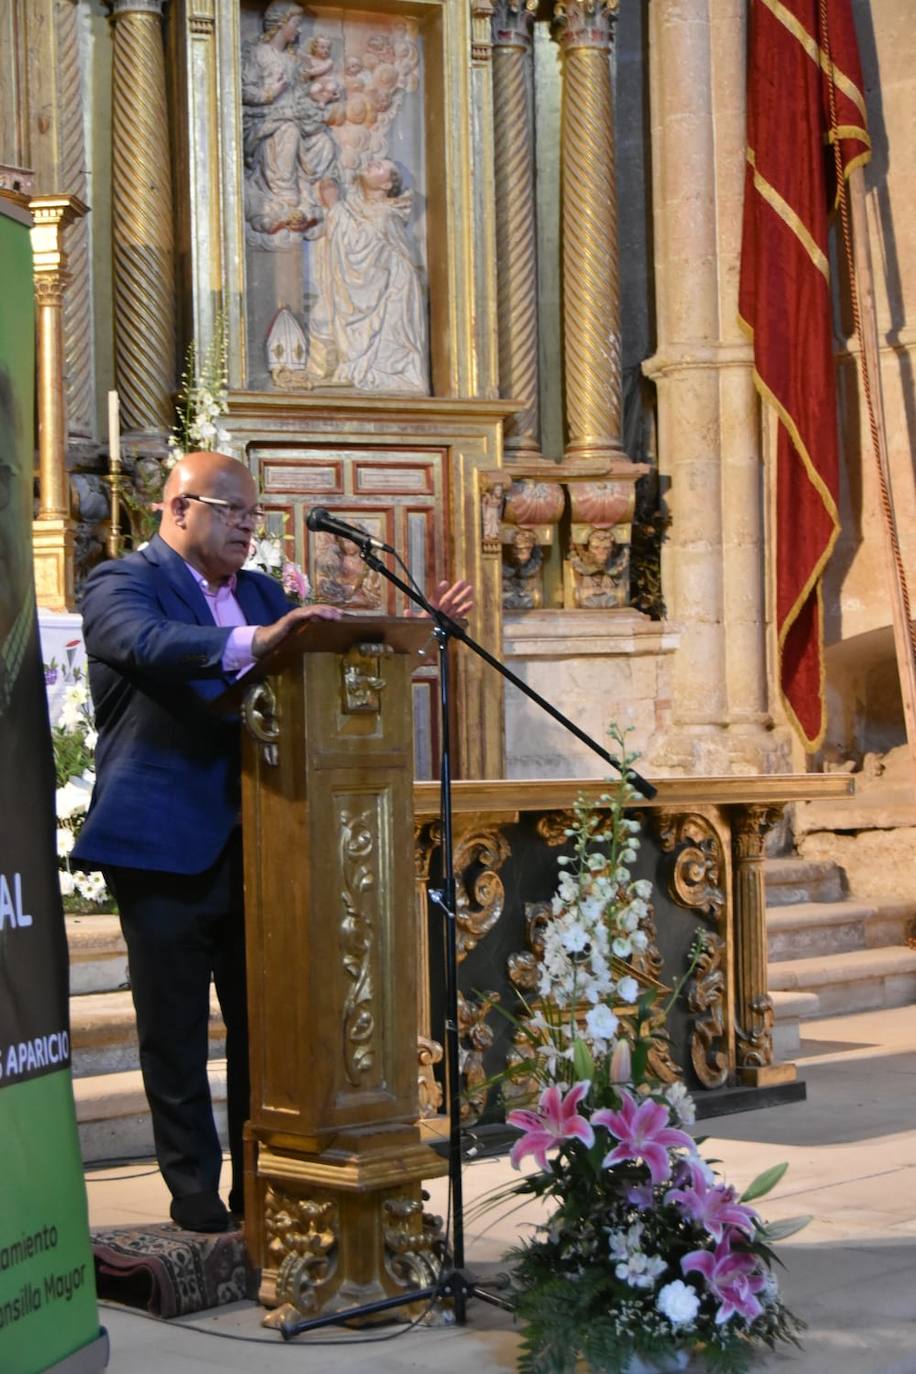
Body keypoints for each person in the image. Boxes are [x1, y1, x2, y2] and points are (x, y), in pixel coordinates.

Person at [73, 450, 472, 1233]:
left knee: (268, 1023)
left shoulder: (258, 591)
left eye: (254, 516)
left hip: (271, 842)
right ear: (178, 508)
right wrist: (255, 643)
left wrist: (414, 633)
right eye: (231, 511)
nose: (247, 528)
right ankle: (192, 1189)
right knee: (175, 1028)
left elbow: (318, 652)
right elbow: (147, 644)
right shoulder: (121, 581)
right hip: (162, 842)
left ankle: (262, 1181)